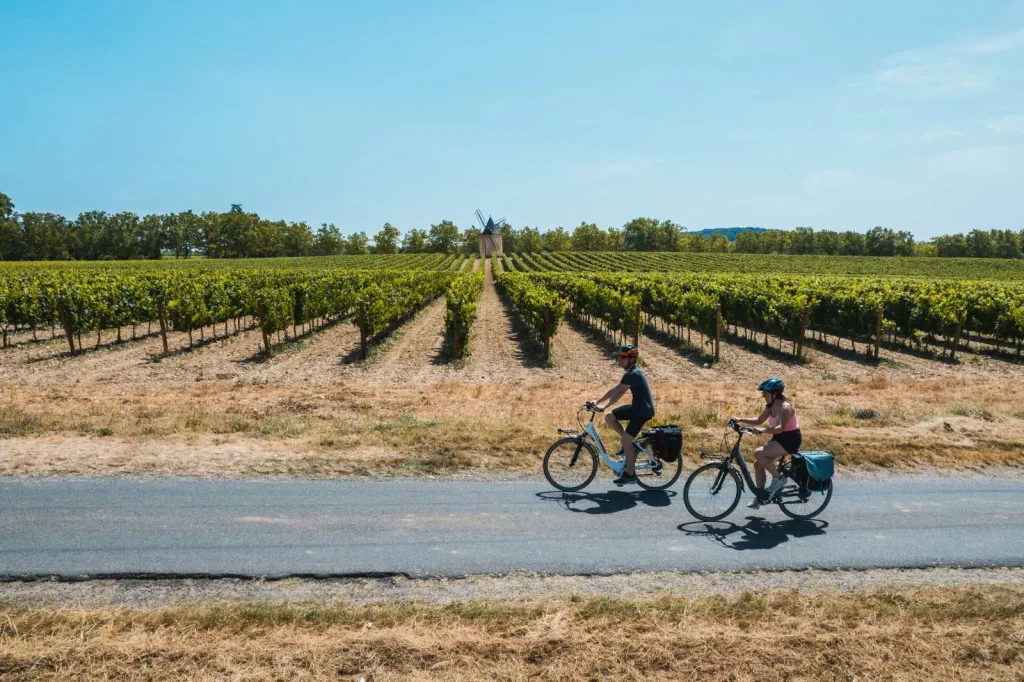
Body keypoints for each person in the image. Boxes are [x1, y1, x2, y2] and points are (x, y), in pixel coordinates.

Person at [593, 345, 656, 485]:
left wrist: (604, 406)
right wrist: (597, 402)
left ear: (632, 359)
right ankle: (629, 446)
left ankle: (630, 473)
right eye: (619, 356)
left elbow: (620, 393)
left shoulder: (634, 374)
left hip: (642, 412)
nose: (619, 359)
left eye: (623, 357)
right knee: (609, 417)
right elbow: (615, 389)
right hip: (636, 408)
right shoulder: (629, 372)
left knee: (626, 441)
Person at [735, 378, 801, 509]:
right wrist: (740, 419)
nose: (763, 396)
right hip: (779, 438)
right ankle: (761, 496)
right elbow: (759, 420)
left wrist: (762, 431)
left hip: (790, 439)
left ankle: (778, 479)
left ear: (775, 393)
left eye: (765, 393)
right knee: (758, 465)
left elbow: (781, 428)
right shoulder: (771, 406)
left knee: (758, 453)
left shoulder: (785, 407)